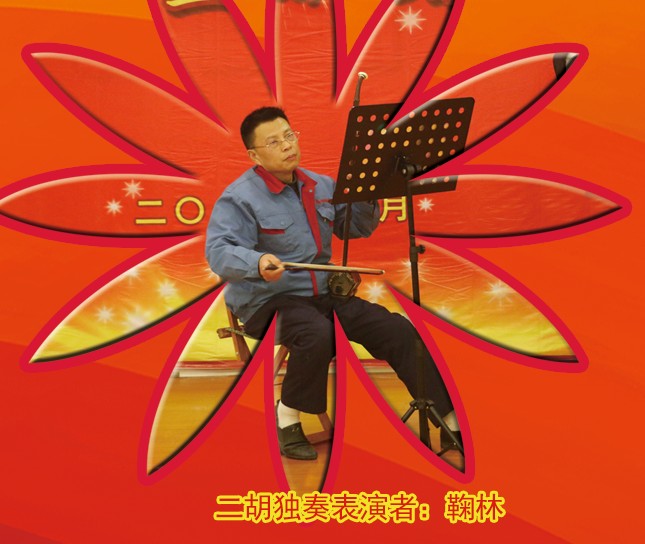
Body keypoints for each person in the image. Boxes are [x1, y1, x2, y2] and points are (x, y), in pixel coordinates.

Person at [205, 107, 461, 460]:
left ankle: (448, 420)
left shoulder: (321, 186)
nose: (287, 146)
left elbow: (356, 228)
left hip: (322, 294)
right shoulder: (240, 197)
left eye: (289, 136)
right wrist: (257, 262)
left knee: (397, 329)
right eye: (274, 142)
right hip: (266, 300)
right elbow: (218, 251)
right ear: (254, 155)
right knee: (316, 332)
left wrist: (368, 193)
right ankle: (287, 415)